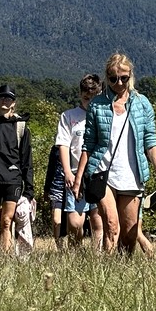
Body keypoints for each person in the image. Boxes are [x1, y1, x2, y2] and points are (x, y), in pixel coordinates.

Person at [73, 53, 156, 254]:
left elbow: (150, 141)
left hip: (132, 174)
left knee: (130, 233)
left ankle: (123, 267)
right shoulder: (97, 104)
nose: (119, 83)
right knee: (111, 225)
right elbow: (88, 144)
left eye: (123, 78)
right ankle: (107, 268)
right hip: (102, 172)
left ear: (130, 76)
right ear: (106, 77)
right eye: (113, 78)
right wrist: (78, 178)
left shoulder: (142, 103)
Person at [0, 85, 35, 254]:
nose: (5, 101)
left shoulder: (20, 126)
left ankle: (4, 259)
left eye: (9, 98)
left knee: (7, 221)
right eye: (2, 97)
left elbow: (26, 160)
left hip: (13, 179)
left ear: (14, 103)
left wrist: (29, 189)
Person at [55, 74, 104, 249]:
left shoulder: (103, 116)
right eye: (86, 98)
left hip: (99, 173)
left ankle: (97, 256)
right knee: (75, 222)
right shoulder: (68, 116)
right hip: (75, 173)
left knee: (98, 220)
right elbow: (63, 145)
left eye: (93, 98)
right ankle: (75, 252)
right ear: (80, 94)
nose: (89, 102)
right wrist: (67, 171)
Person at [43, 145, 66, 250]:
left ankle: (73, 248)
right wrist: (46, 189)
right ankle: (59, 248)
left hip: (72, 187)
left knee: (72, 222)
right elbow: (50, 168)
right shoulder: (55, 148)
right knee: (56, 220)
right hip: (56, 187)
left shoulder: (77, 145)